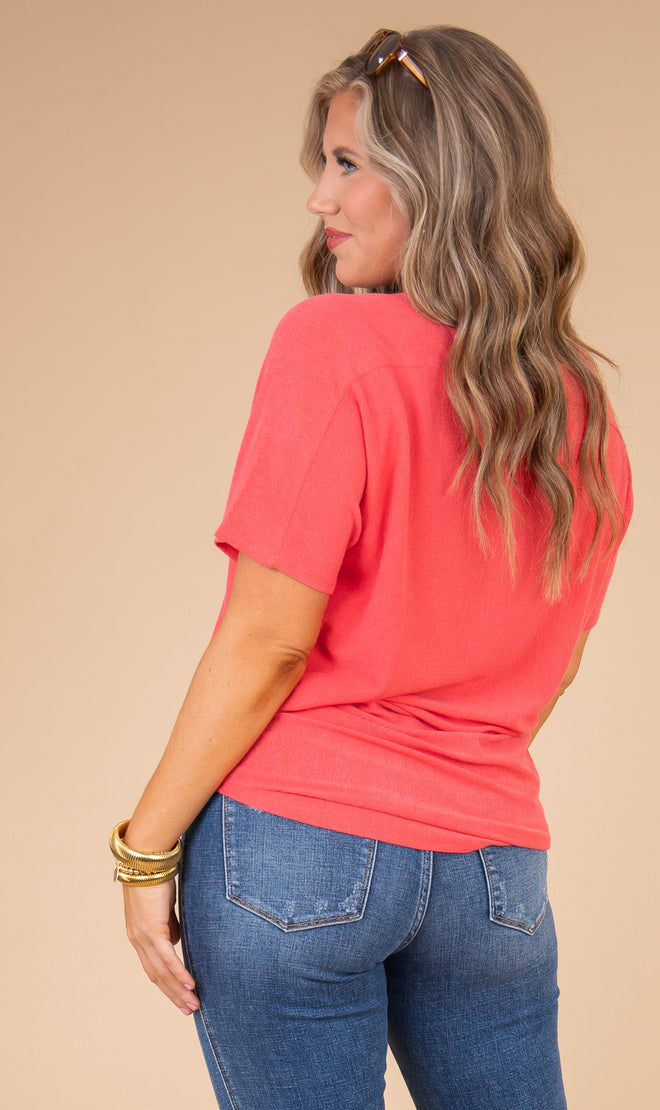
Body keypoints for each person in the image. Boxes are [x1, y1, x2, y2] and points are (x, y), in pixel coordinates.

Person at [112, 26, 632, 1110]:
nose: (320, 198)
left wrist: (144, 850)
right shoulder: (573, 404)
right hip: (493, 874)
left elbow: (268, 638)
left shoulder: (331, 346)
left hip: (299, 849)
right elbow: (556, 663)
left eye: (348, 164)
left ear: (438, 179)